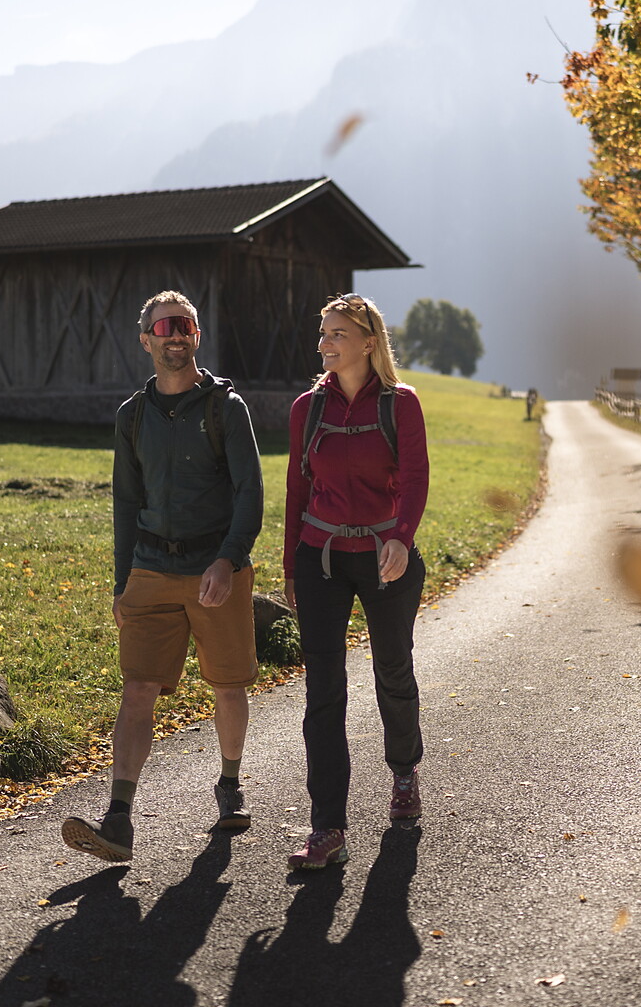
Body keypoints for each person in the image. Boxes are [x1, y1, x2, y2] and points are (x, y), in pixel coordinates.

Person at [62, 291, 265, 864]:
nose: (175, 335)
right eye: (163, 327)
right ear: (146, 338)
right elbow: (126, 502)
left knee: (228, 684)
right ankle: (119, 818)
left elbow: (251, 490)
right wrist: (123, 581)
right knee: (137, 689)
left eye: (185, 326)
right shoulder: (131, 416)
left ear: (197, 336)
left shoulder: (226, 407)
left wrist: (228, 558)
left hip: (215, 567)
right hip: (151, 567)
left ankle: (229, 785)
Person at [283, 293, 430, 870]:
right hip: (321, 557)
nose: (324, 344)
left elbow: (415, 477)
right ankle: (328, 828)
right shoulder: (307, 408)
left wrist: (401, 535)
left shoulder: (401, 404)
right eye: (323, 334)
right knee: (323, 689)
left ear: (368, 342)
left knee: (392, 668)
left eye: (337, 334)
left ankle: (403, 771)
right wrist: (292, 565)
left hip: (385, 556)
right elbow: (297, 489)